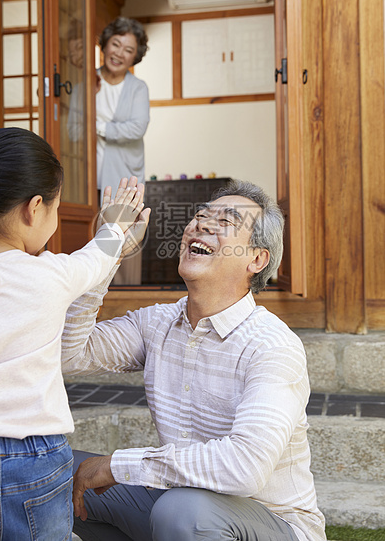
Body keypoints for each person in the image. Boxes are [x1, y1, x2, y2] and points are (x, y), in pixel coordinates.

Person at [62, 179, 326, 541]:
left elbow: (244, 468)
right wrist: (110, 247)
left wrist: (119, 465)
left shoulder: (272, 345)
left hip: (270, 522)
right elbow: (70, 352)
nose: (201, 224)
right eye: (201, 215)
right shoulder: (157, 323)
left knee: (182, 511)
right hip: (183, 508)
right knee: (53, 470)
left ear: (257, 259)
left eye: (226, 221)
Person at [0, 127, 149, 540]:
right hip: (34, 457)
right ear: (34, 209)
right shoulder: (49, 275)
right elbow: (98, 258)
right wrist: (117, 225)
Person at [96, 16, 150, 285]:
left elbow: (137, 128)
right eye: (115, 44)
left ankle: (123, 297)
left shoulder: (137, 87)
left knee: (122, 236)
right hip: (86, 173)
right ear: (104, 45)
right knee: (91, 237)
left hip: (122, 176)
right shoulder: (86, 81)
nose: (119, 53)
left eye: (128, 50)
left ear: (134, 58)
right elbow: (72, 129)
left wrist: (100, 128)